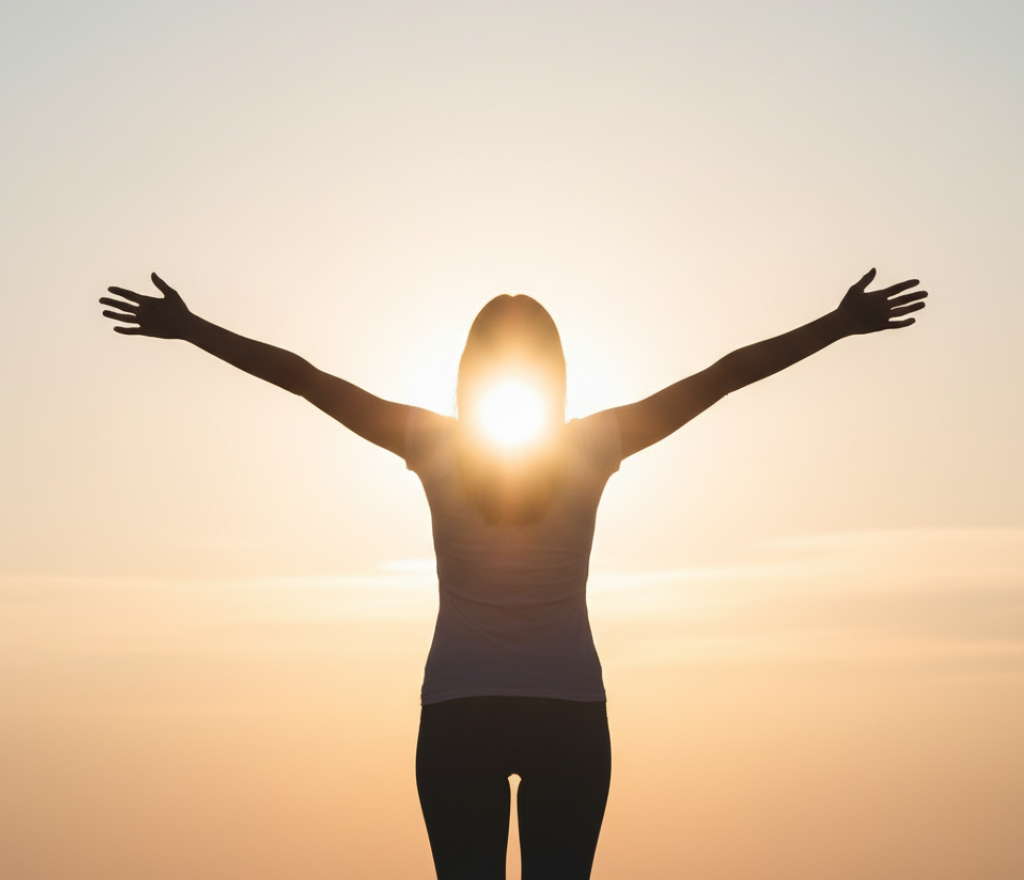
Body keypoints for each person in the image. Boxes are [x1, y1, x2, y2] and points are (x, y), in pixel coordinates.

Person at [99, 268, 927, 880]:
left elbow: (308, 380)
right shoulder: (595, 445)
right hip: (569, 712)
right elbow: (721, 376)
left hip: (459, 712)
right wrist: (836, 323)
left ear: (471, 368)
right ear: (555, 370)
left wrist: (193, 327)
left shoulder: (432, 444)